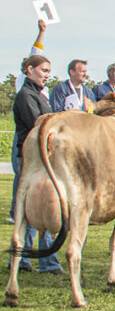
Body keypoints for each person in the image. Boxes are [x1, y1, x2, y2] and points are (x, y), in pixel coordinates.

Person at [11, 53, 64, 274]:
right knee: (33, 210)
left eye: (49, 72)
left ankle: (37, 261)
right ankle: (34, 260)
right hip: (31, 159)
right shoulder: (25, 95)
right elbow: (39, 124)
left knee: (39, 209)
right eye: (43, 70)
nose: (46, 75)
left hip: (41, 157)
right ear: (29, 70)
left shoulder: (40, 95)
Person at [9, 19, 46, 224]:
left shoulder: (42, 89)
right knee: (22, 175)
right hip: (25, 135)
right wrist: (41, 33)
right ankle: (18, 212)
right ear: (28, 69)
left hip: (36, 136)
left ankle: (22, 211)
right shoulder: (23, 83)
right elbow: (35, 54)